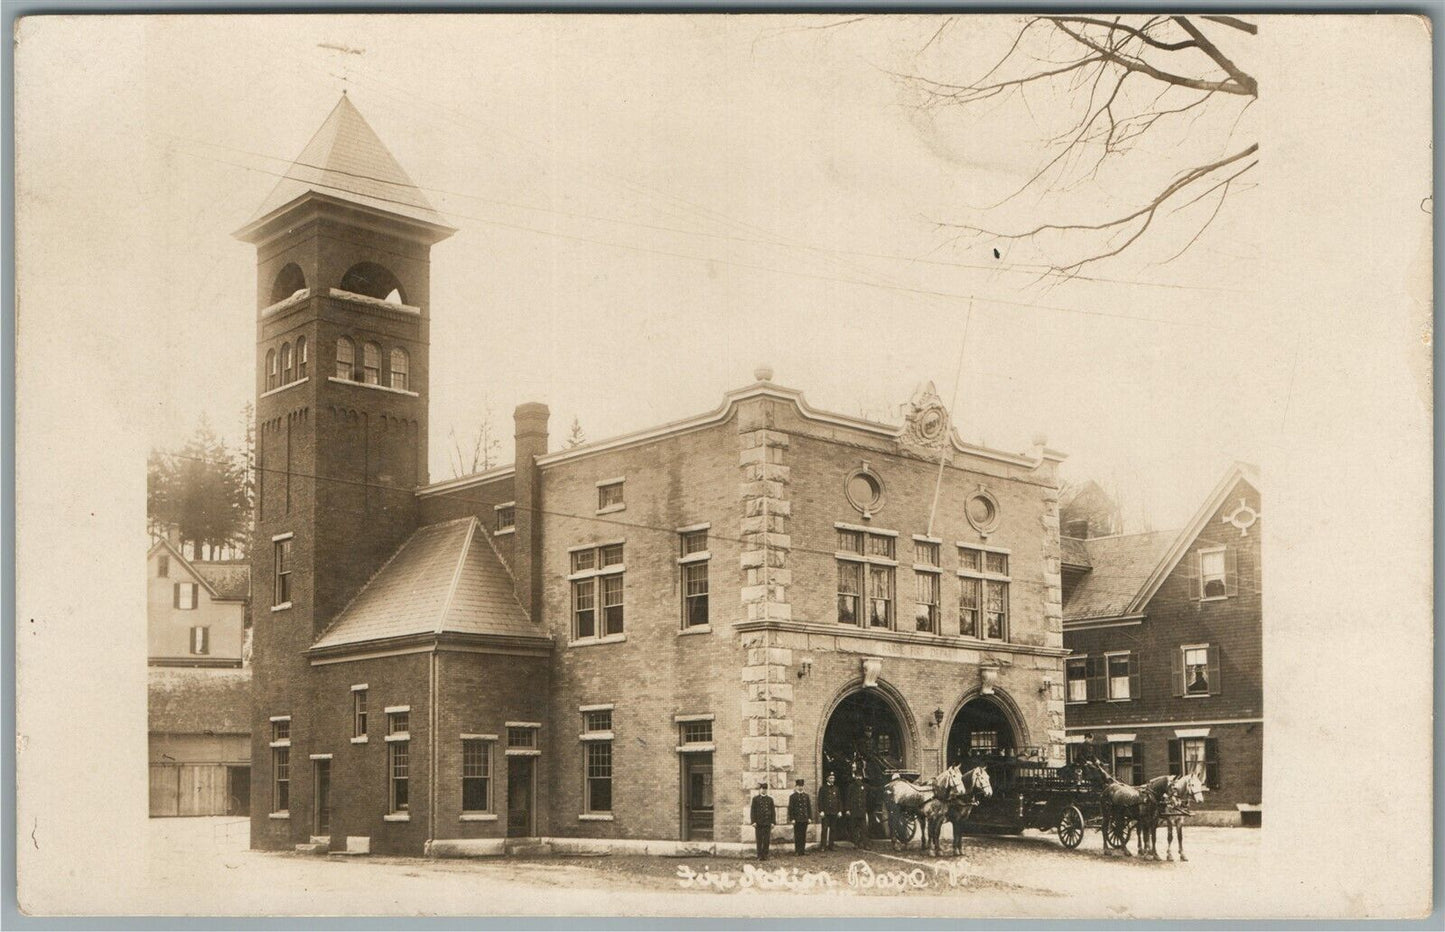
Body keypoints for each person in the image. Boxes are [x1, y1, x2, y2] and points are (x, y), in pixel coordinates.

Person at [749, 782, 776, 861]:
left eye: (765, 789)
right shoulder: (755, 799)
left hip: (767, 823)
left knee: (766, 840)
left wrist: (773, 822)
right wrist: (753, 821)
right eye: (762, 789)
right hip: (759, 823)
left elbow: (773, 811)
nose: (763, 790)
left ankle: (765, 855)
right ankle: (759, 855)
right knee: (759, 840)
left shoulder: (770, 799)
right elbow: (752, 811)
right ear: (759, 789)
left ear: (766, 790)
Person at [844, 769, 870, 849]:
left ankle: (865, 844)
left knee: (864, 829)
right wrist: (848, 809)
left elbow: (869, 796)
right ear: (855, 777)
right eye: (857, 776)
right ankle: (856, 843)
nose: (859, 778)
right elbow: (848, 798)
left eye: (860, 776)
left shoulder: (865, 786)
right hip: (854, 810)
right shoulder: (851, 786)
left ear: (862, 777)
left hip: (862, 810)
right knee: (854, 828)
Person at [817, 772, 843, 851]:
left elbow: (839, 800)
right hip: (826, 812)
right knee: (824, 829)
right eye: (831, 778)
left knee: (833, 829)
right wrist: (821, 811)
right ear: (827, 779)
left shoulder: (836, 788)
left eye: (833, 778)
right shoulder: (823, 788)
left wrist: (840, 811)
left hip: (834, 812)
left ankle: (831, 845)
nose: (832, 780)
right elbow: (820, 800)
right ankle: (823, 846)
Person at [788, 778, 813, 855]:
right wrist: (792, 818)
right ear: (796, 786)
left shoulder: (806, 796)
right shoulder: (793, 796)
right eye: (799, 786)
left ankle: (802, 850)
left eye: (801, 786)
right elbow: (790, 808)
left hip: (804, 818)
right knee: (797, 835)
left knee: (803, 835)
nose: (800, 787)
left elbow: (809, 807)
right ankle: (797, 851)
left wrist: (809, 817)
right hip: (797, 819)